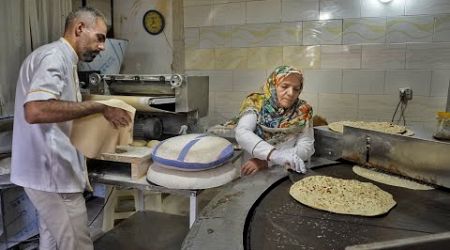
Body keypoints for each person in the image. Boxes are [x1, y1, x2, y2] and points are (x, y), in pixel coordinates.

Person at [10, 7, 131, 250]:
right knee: (77, 244)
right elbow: (35, 110)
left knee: (52, 241)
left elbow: (58, 107)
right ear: (79, 29)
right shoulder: (55, 57)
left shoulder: (61, 59)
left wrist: (96, 107)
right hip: (52, 175)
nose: (102, 47)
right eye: (100, 37)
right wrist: (97, 107)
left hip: (45, 173)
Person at [234, 65, 315, 176]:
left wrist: (268, 161)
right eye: (284, 86)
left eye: (296, 89)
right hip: (252, 170)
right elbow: (243, 132)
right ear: (273, 85)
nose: (291, 93)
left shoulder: (303, 110)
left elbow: (306, 147)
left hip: (285, 171)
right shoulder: (256, 102)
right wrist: (274, 155)